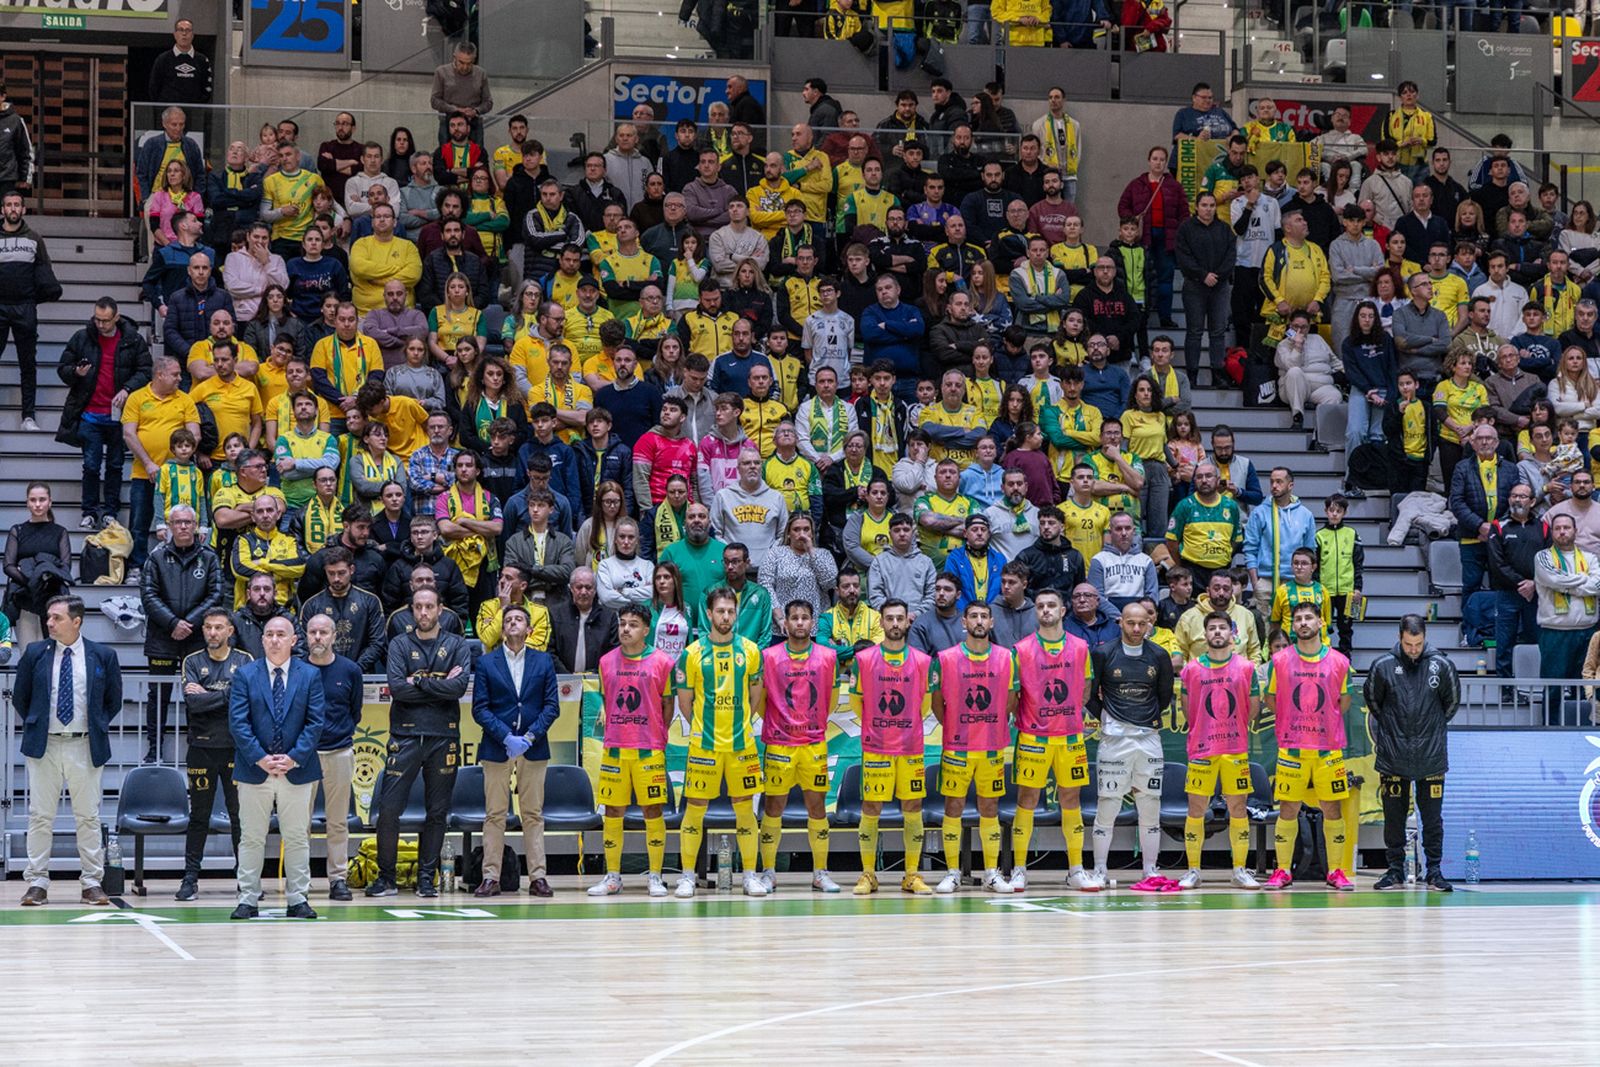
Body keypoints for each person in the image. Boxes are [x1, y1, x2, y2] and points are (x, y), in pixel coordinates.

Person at [14, 596, 122, 907]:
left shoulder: (102, 655)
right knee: (39, 816)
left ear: (77, 621)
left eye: (57, 618)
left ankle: (91, 882)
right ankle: (36, 881)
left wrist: (96, 724)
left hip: (84, 744)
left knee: (88, 816)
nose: (49, 623)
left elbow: (112, 701)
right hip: (44, 744)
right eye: (49, 617)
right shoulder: (35, 653)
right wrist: (37, 723)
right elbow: (21, 697)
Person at [366, 589, 471, 898]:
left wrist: (421, 681)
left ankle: (427, 877)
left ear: (440, 609)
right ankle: (387, 878)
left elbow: (459, 687)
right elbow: (398, 689)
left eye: (429, 607)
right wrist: (439, 683)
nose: (424, 612)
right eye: (418, 607)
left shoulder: (456, 644)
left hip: (444, 735)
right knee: (388, 809)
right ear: (412, 611)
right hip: (405, 734)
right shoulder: (399, 643)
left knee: (437, 812)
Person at [672, 587, 767, 899]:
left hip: (742, 746)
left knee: (746, 812)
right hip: (704, 746)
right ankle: (687, 876)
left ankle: (750, 877)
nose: (726, 617)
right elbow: (685, 703)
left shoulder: (751, 651)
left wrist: (739, 724)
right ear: (709, 614)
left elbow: (755, 699)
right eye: (720, 611)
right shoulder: (692, 654)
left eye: (730, 611)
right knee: (694, 810)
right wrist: (704, 727)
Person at [226, 615, 323, 920]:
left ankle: (297, 898)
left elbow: (315, 722)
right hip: (255, 769)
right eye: (269, 634)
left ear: (294, 640)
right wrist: (260, 757)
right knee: (251, 836)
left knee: (296, 837)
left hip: (298, 769)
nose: (274, 639)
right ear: (262, 639)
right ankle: (247, 898)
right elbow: (238, 723)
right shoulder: (245, 675)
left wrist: (294, 757)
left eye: (281, 634)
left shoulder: (309, 676)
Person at [1262, 601, 1355, 892]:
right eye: (1298, 619)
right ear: (1293, 626)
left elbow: (1345, 703)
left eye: (1309, 618)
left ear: (1320, 623)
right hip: (1292, 748)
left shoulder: (1340, 661)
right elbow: (1271, 700)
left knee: (1332, 809)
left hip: (1328, 749)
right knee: (1288, 809)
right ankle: (1281, 871)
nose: (1303, 623)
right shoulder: (1280, 661)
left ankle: (1336, 871)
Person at [469, 603, 560, 898]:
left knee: (532, 813)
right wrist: (506, 736)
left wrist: (530, 736)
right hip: (497, 746)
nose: (513, 623)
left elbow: (551, 707)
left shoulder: (543, 661)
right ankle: (490, 877)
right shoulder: (486, 663)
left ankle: (538, 877)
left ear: (530, 629)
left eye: (519, 619)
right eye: (508, 619)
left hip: (533, 747)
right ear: (502, 628)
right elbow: (480, 709)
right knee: (494, 813)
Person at [1363, 615, 1460, 892]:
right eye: (1408, 644)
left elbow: (1451, 704)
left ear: (1425, 637)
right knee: (1393, 818)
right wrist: (1396, 728)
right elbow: (1374, 702)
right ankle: (1394, 870)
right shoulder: (1382, 666)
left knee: (1432, 818)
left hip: (1431, 756)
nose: (1414, 649)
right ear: (1399, 638)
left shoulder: (1441, 665)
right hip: (1393, 755)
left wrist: (1428, 728)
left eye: (1418, 644)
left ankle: (1434, 871)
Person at [1006, 589, 1094, 891]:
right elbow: (1014, 696)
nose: (1046, 610)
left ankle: (1076, 869)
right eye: (1041, 606)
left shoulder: (1081, 647)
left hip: (1069, 735)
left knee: (1071, 801)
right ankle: (1019, 868)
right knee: (1026, 800)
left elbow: (1085, 688)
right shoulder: (1021, 649)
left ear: (1063, 610)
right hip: (1033, 736)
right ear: (1036, 612)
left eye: (1051, 605)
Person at [751, 600, 842, 893]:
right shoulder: (769, 657)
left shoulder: (828, 656)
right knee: (773, 807)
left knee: (817, 807)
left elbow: (831, 697)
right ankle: (768, 871)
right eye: (794, 618)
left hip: (813, 744)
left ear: (812, 623)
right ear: (785, 624)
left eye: (805, 618)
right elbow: (761, 701)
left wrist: (808, 722)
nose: (800, 623)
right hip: (779, 744)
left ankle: (820, 872)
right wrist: (783, 722)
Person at [586, 605, 676, 898]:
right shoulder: (605, 662)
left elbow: (667, 706)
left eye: (633, 624)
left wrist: (658, 738)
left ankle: (655, 876)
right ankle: (613, 877)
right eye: (622, 624)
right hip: (614, 749)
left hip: (648, 749)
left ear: (646, 629)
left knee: (652, 811)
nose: (626, 629)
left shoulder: (662, 662)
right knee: (612, 812)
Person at [928, 601, 1018, 895]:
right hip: (957, 746)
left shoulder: (1006, 657)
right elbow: (937, 703)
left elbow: (1010, 701)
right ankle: (953, 873)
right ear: (964, 622)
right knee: (952, 807)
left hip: (991, 746)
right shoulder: (945, 658)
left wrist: (989, 725)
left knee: (989, 808)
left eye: (984, 616)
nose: (979, 621)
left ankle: (991, 873)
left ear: (992, 622)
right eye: (973, 616)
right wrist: (957, 726)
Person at [1085, 601, 1173, 891]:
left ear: (1150, 624)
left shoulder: (1159, 655)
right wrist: (1110, 718)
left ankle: (1150, 870)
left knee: (1150, 805)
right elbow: (1090, 695)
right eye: (1130, 623)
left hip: (1148, 738)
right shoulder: (1102, 652)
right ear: (1120, 622)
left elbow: (1164, 696)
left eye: (1142, 623)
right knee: (1107, 804)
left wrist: (1142, 719)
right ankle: (1099, 869)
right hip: (1113, 739)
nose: (1136, 629)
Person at [1176, 609, 1261, 891]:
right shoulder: (1191, 669)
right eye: (1211, 628)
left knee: (1238, 807)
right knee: (1196, 808)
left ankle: (1239, 870)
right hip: (1202, 747)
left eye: (1222, 628)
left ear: (1232, 633)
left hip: (1235, 747)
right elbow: (1187, 710)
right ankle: (1193, 871)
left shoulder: (1247, 668)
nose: (1216, 632)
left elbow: (1253, 710)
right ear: (1205, 633)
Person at [173, 609, 247, 901]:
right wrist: (225, 695)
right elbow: (193, 704)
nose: (213, 632)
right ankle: (190, 879)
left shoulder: (244, 660)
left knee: (240, 816)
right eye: (208, 627)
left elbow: (244, 700)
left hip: (236, 749)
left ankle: (246, 877)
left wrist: (209, 695)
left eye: (219, 627)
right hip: (201, 748)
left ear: (230, 631)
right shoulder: (192, 661)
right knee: (199, 817)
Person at [299, 613, 364, 902]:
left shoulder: (350, 670)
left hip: (339, 751)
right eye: (313, 632)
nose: (317, 638)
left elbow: (355, 712)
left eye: (323, 632)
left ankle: (338, 879)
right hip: (305, 755)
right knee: (300, 822)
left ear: (334, 636)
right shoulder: (298, 669)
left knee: (337, 822)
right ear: (305, 636)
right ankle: (299, 882)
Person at [0, 191, 61, 432]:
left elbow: (46, 275)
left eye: (17, 205)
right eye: (8, 205)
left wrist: (36, 299)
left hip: (25, 307)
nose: (13, 209)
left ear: (23, 210)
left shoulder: (34, 239)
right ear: (2, 210)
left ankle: (28, 416)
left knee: (28, 364)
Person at [1535, 513, 1600, 725]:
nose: (1562, 531)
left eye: (1567, 527)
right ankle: (1549, 728)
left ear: (1575, 531)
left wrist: (1567, 585)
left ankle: (1585, 728)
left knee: (1586, 687)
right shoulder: (1543, 557)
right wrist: (1584, 581)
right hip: (1555, 632)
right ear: (1552, 532)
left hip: (1587, 631)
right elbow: (1552, 578)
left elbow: (1598, 584)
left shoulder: (1590, 558)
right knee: (1553, 687)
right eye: (1557, 528)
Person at [1488, 484, 1547, 699]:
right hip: (1507, 594)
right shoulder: (1499, 525)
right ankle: (1505, 690)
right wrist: (1523, 584)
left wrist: (1534, 583)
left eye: (1522, 496)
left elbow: (1549, 559)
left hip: (1538, 594)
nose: (1517, 500)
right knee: (1504, 643)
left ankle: (1535, 687)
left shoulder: (1543, 527)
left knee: (1535, 641)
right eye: (1514, 495)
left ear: (1532, 501)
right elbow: (1497, 563)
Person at [1449, 423, 1523, 595]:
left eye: (1488, 438)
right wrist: (1480, 526)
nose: (1484, 442)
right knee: (1471, 585)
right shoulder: (1462, 467)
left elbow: (1516, 501)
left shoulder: (1511, 469)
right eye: (1479, 439)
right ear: (1472, 443)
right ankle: (1471, 622)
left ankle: (1496, 622)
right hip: (1471, 537)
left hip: (1501, 537)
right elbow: (1457, 502)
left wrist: (1494, 529)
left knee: (1501, 586)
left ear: (1496, 443)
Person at [1243, 467, 1318, 614]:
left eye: (1279, 482)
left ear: (1290, 485)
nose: (1274, 486)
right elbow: (1250, 549)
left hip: (1296, 580)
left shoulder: (1305, 515)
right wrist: (1255, 582)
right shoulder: (1259, 513)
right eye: (1271, 482)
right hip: (1266, 581)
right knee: (1267, 631)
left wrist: (1307, 581)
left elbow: (1310, 551)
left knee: (1296, 627)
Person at [548, 567, 620, 673]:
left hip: (597, 680)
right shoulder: (555, 613)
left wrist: (594, 674)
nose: (583, 592)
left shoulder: (609, 617)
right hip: (562, 680)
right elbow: (550, 650)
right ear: (571, 588)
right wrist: (567, 677)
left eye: (588, 587)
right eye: (579, 587)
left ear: (595, 590)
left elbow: (614, 653)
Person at [430, 42, 492, 145]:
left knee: (477, 157)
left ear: (474, 59)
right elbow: (434, 101)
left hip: (473, 123)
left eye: (469, 63)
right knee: (445, 158)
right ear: (454, 57)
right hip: (448, 122)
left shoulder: (481, 74)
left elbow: (488, 102)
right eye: (461, 62)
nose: (465, 67)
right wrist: (456, 110)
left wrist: (476, 111)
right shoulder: (441, 72)